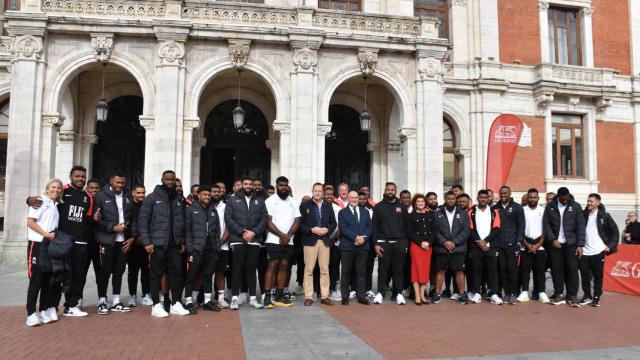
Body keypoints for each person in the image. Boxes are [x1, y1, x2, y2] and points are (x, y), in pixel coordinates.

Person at [138, 170, 189, 318]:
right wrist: (147, 242)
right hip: (157, 244)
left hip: (175, 244)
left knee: (177, 274)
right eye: (167, 180)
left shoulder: (179, 199)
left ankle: (176, 303)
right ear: (162, 180)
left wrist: (183, 241)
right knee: (156, 275)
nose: (170, 182)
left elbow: (183, 222)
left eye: (173, 180)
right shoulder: (152, 198)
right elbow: (143, 221)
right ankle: (156, 305)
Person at [55, 166, 94, 318]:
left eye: (83, 177)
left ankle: (71, 305)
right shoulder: (62, 190)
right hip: (63, 242)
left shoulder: (88, 197)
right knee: (60, 275)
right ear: (70, 176)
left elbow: (88, 219)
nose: (80, 179)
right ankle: (51, 306)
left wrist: (94, 219)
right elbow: (46, 200)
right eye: (77, 176)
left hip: (81, 243)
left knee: (78, 276)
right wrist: (29, 200)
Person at [93, 173, 134, 315]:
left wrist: (132, 237)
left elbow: (132, 219)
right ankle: (102, 301)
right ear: (111, 181)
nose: (120, 185)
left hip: (123, 241)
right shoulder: (100, 196)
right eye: (117, 182)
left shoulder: (128, 196)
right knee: (105, 271)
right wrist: (112, 227)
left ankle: (116, 300)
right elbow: (97, 220)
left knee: (119, 271)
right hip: (106, 240)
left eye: (122, 183)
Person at [225, 177, 268, 310]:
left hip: (254, 240)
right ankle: (234, 299)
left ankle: (253, 299)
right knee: (237, 269)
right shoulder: (232, 200)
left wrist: (254, 233)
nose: (248, 186)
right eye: (246, 184)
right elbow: (228, 218)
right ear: (242, 185)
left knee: (251, 269)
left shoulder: (260, 201)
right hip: (238, 240)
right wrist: (242, 232)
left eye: (250, 184)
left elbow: (264, 219)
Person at [25, 178, 64, 327]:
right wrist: (46, 234)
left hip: (50, 246)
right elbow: (30, 222)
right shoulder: (39, 201)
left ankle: (43, 310)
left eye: (59, 188)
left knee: (48, 279)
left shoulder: (55, 205)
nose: (56, 190)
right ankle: (30, 314)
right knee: (36, 280)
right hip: (37, 244)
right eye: (53, 187)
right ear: (47, 189)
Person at [543, 187, 585, 306]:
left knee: (572, 270)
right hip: (555, 244)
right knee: (556, 270)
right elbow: (546, 224)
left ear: (568, 196)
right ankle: (559, 294)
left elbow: (580, 226)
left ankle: (572, 295)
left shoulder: (576, 206)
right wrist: (553, 239)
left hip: (571, 244)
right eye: (562, 199)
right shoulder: (550, 206)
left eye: (566, 199)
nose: (564, 201)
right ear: (558, 197)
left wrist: (580, 244)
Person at [263, 176, 301, 309]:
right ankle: (267, 295)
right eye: (281, 185)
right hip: (273, 240)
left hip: (288, 241)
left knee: (285, 265)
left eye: (285, 185)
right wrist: (281, 235)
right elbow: (268, 221)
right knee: (273, 265)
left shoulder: (294, 202)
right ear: (277, 186)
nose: (283, 188)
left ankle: (280, 295)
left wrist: (288, 235)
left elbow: (297, 221)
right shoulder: (270, 201)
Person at [371, 182, 410, 305]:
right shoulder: (378, 207)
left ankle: (397, 293)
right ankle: (380, 293)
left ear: (396, 191)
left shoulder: (402, 207)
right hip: (383, 243)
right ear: (385, 190)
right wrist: (375, 244)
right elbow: (374, 227)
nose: (390, 192)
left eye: (392, 190)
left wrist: (405, 244)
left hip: (399, 243)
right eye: (388, 189)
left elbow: (407, 227)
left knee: (398, 270)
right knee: (383, 270)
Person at [184, 185, 221, 313]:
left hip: (211, 250)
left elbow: (217, 231)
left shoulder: (213, 210)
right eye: (204, 195)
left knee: (208, 275)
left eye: (208, 195)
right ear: (198, 195)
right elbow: (187, 231)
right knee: (191, 276)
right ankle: (189, 301)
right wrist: (190, 249)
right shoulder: (190, 209)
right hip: (196, 249)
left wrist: (216, 248)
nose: (207, 197)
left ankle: (206, 301)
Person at [578, 193, 619, 307]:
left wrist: (610, 245)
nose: (589, 203)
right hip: (585, 251)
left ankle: (596, 297)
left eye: (591, 201)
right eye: (588, 201)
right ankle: (587, 296)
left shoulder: (605, 216)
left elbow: (615, 232)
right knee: (585, 276)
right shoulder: (583, 215)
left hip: (598, 251)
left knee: (597, 276)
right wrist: (579, 245)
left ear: (598, 202)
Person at [299, 183, 337, 306]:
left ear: (323, 193)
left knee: (324, 270)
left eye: (320, 191)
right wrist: (311, 229)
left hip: (324, 241)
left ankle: (325, 296)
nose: (318, 193)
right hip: (310, 240)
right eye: (316, 191)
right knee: (309, 269)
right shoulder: (305, 205)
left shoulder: (328, 205)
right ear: (312, 191)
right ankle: (309, 296)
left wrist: (327, 229)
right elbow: (300, 224)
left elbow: (333, 223)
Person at [432, 191, 470, 304]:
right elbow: (434, 230)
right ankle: (437, 293)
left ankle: (462, 294)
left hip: (458, 248)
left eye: (453, 198)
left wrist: (454, 242)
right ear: (445, 198)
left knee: (459, 271)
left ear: (456, 200)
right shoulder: (437, 213)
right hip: (442, 248)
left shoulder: (463, 213)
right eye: (448, 198)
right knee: (440, 271)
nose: (451, 200)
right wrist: (444, 242)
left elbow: (466, 231)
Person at [337, 190, 373, 305]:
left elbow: (370, 227)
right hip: (347, 247)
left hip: (363, 247)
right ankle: (345, 297)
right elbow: (343, 228)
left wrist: (364, 239)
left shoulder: (365, 211)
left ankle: (361, 296)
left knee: (361, 272)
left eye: (356, 198)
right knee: (346, 272)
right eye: (352, 198)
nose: (354, 200)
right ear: (348, 198)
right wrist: (356, 238)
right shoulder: (342, 212)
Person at [492, 186, 525, 305]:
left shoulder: (517, 208)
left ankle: (513, 293)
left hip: (513, 245)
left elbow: (521, 226)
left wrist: (518, 241)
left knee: (513, 270)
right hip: (500, 246)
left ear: (510, 193)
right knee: (502, 270)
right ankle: (506, 292)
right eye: (501, 193)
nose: (503, 195)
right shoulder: (495, 208)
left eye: (505, 193)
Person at [468, 190, 502, 305]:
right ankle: (477, 293)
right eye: (481, 197)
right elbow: (471, 229)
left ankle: (493, 294)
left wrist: (486, 241)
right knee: (476, 270)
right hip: (476, 247)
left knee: (493, 271)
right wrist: (480, 243)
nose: (483, 199)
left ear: (488, 199)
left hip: (490, 247)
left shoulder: (494, 212)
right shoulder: (471, 212)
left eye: (485, 197)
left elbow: (496, 228)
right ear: (477, 198)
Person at [519, 188, 549, 304]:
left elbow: (545, 230)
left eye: (534, 197)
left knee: (540, 271)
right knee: (524, 270)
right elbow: (520, 229)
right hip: (525, 244)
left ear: (538, 198)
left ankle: (541, 292)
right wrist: (526, 244)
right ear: (527, 198)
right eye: (530, 197)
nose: (532, 199)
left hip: (539, 246)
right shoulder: (522, 210)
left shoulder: (543, 210)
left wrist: (538, 245)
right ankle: (524, 292)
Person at [127, 184, 152, 307]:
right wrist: (134, 238)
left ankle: (145, 294)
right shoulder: (128, 206)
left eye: (143, 193)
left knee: (146, 271)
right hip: (133, 244)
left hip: (146, 244)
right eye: (139, 193)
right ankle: (132, 295)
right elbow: (128, 223)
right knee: (133, 271)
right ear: (133, 193)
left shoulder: (147, 206)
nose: (141, 195)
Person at [407, 194, 434, 305]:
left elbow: (434, 231)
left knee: (425, 270)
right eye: (418, 201)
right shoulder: (411, 216)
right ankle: (417, 295)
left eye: (422, 201)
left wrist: (429, 242)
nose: (420, 203)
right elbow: (410, 232)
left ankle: (423, 295)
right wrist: (420, 242)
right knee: (416, 269)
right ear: (415, 203)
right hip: (416, 246)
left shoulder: (430, 215)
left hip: (428, 246)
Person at [211, 184, 231, 308]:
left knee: (220, 273)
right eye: (214, 191)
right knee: (205, 273)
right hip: (208, 246)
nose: (217, 193)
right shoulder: (206, 207)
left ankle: (221, 298)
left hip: (223, 245)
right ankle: (204, 298)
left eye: (219, 191)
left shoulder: (226, 207)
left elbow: (229, 225)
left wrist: (223, 240)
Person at [324, 186, 343, 301]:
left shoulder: (338, 209)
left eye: (331, 195)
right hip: (322, 242)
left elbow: (341, 226)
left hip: (335, 242)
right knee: (322, 267)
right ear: (323, 195)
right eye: (327, 194)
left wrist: (334, 239)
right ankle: (320, 290)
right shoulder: (320, 207)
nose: (329, 197)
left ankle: (333, 289)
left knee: (334, 266)